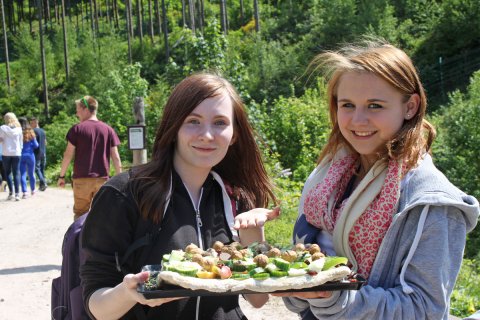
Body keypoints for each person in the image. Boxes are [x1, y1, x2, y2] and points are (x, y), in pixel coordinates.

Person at [275, 40, 480, 319]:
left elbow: (426, 309)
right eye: (347, 104)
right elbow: (303, 268)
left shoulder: (431, 203)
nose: (358, 120)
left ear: (410, 107)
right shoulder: (326, 179)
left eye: (374, 105)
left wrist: (336, 298)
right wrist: (297, 288)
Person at [80, 73, 280, 319]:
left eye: (220, 123)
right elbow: (94, 305)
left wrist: (253, 233)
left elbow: (258, 299)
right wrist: (128, 293)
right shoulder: (123, 195)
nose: (207, 135)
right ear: (174, 127)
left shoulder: (235, 196)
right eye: (193, 121)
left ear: (234, 135)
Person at [57, 95, 122, 220]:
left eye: (78, 109)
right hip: (102, 180)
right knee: (102, 215)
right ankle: (101, 239)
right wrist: (120, 181)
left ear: (85, 109)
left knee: (81, 215)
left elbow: (68, 155)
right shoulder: (108, 130)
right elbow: (116, 157)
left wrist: (62, 176)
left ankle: (80, 239)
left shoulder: (77, 129)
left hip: (81, 180)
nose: (76, 113)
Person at [0, 112, 23, 201]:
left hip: (6, 152)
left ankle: (11, 193)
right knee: (16, 172)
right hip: (17, 153)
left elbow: (1, 139)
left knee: (8, 173)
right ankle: (17, 194)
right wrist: (20, 149)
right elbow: (21, 141)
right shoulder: (19, 129)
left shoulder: (2, 128)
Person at [19, 117, 39, 199]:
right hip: (30, 155)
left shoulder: (18, 132)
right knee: (31, 173)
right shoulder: (31, 132)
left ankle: (24, 192)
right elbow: (36, 145)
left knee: (22, 174)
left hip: (20, 155)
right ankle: (33, 190)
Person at [30, 116, 48, 191]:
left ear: (35, 122)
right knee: (42, 169)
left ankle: (43, 182)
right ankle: (42, 186)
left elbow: (32, 143)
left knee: (36, 168)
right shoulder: (43, 131)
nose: (30, 124)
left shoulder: (33, 131)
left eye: (31, 123)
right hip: (43, 152)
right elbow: (46, 143)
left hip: (36, 152)